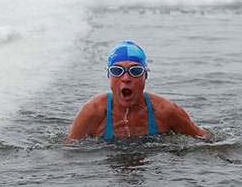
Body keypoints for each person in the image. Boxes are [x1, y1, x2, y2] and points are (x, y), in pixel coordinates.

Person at [66, 41, 210, 144]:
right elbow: (67, 153)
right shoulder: (92, 112)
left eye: (135, 71)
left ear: (144, 76)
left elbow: (205, 142)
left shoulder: (167, 112)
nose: (126, 78)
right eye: (117, 71)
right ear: (109, 76)